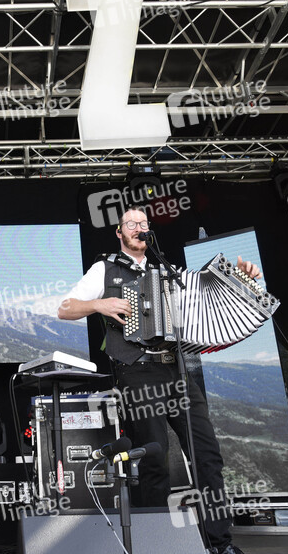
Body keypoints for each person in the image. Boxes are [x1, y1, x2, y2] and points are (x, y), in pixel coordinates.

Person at [58, 207, 260, 554]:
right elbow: (65, 308)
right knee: (153, 460)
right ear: (119, 233)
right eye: (131, 223)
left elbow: (203, 301)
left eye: (143, 223)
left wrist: (242, 280)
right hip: (138, 372)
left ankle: (219, 543)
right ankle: (156, 545)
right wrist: (100, 304)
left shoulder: (167, 272)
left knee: (207, 455)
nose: (138, 227)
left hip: (176, 370)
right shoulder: (104, 268)